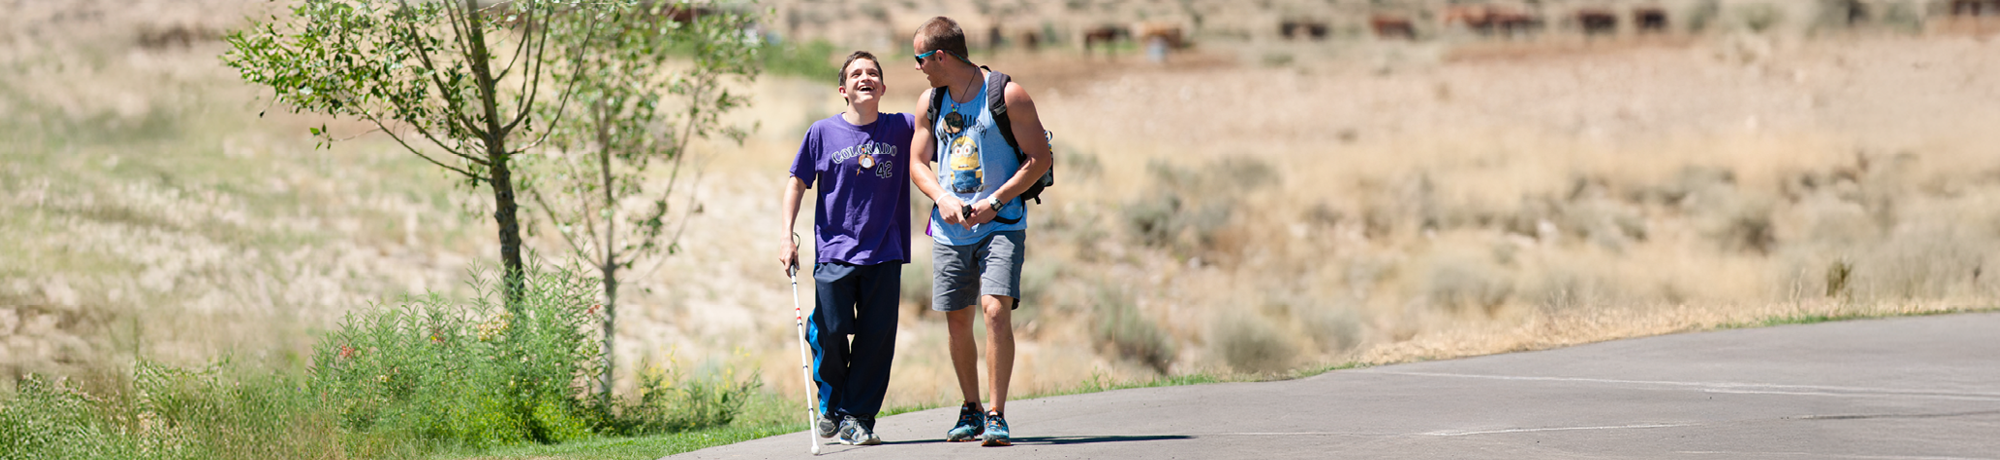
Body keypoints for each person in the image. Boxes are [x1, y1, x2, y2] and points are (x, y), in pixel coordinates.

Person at [909, 16, 1053, 447]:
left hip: (1002, 224)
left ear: (940, 56)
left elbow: (1039, 158)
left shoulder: (1008, 94)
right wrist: (942, 198)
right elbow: (919, 163)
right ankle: (970, 409)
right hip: (951, 229)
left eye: (920, 58)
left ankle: (996, 414)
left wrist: (996, 201)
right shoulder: (929, 101)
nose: (917, 67)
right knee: (957, 321)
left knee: (994, 311)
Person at [779, 50, 915, 447]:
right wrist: (786, 235)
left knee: (876, 338)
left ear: (883, 87)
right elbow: (796, 183)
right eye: (856, 73)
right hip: (835, 251)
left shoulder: (902, 128)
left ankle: (857, 417)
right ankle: (834, 402)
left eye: (872, 72)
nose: (865, 77)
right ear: (843, 89)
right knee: (831, 329)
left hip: (886, 251)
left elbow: (940, 126)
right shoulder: (821, 132)